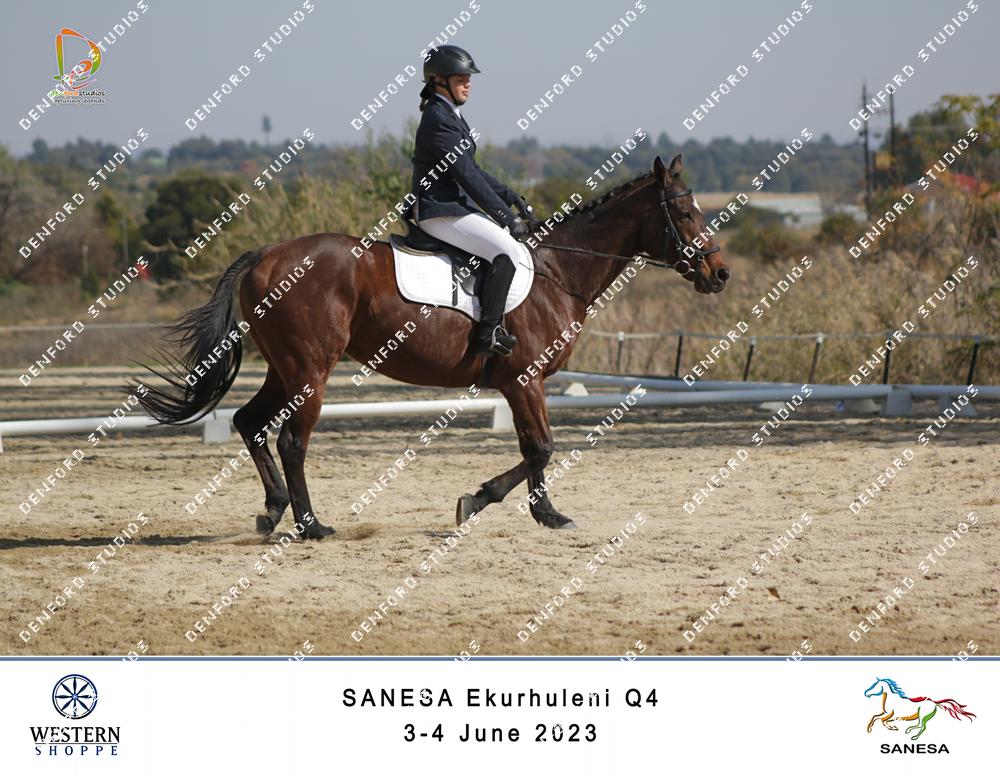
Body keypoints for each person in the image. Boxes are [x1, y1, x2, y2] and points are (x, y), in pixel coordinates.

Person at [405, 44, 532, 357]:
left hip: (451, 209)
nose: (468, 83)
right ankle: (488, 334)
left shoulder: (450, 114)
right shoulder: (438, 119)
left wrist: (510, 196)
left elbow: (472, 169)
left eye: (468, 78)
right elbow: (466, 177)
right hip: (438, 211)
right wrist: (507, 219)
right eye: (461, 78)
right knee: (507, 251)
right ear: (438, 81)